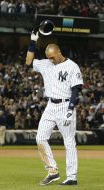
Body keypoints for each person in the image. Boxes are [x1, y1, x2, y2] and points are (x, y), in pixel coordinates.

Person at [25, 31, 83, 186]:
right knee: (40, 138)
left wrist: (70, 110)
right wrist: (33, 42)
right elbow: (28, 62)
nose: (50, 59)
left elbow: (76, 89)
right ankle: (53, 171)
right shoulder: (46, 64)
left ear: (59, 52)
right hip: (51, 105)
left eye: (52, 57)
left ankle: (72, 177)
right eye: (48, 57)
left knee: (69, 142)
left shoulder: (72, 66)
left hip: (66, 105)